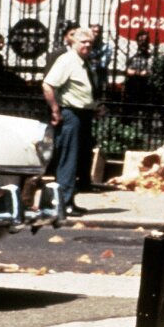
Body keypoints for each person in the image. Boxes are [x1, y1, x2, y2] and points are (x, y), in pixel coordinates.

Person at [42, 27, 95, 217]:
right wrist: (55, 110)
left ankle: (69, 199)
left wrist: (94, 106)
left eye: (90, 42)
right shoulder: (67, 60)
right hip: (71, 114)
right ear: (73, 42)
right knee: (68, 159)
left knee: (77, 159)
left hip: (83, 114)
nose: (87, 45)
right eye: (83, 42)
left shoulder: (83, 62)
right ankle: (63, 202)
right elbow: (48, 84)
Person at [124, 29, 153, 102]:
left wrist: (134, 72)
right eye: (140, 40)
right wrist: (138, 72)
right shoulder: (132, 53)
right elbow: (127, 70)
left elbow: (146, 73)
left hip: (145, 85)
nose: (142, 43)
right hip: (131, 84)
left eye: (144, 40)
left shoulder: (150, 54)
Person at [88, 23, 112, 99]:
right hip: (87, 78)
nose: (95, 34)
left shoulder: (106, 47)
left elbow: (103, 64)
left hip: (100, 79)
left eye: (97, 32)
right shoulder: (85, 46)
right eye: (93, 32)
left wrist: (90, 61)